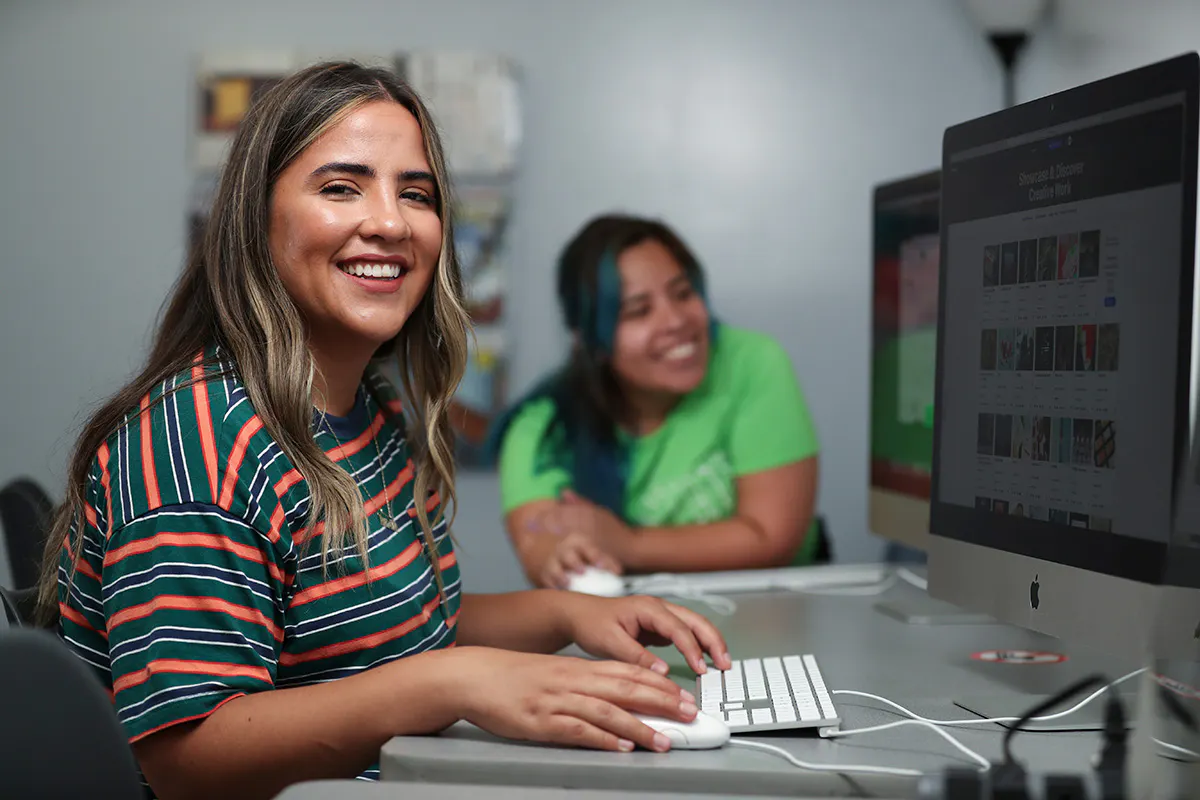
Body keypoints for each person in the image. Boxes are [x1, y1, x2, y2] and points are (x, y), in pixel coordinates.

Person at [34, 63, 731, 800]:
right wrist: (450, 682)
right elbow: (189, 760)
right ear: (255, 219)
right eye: (341, 187)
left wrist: (574, 614)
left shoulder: (370, 410)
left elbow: (412, 628)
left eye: (416, 194)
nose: (392, 223)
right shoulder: (198, 439)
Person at [494, 214, 823, 590]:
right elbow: (538, 541)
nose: (676, 321)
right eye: (639, 311)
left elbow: (771, 538)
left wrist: (628, 543)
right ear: (590, 340)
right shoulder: (541, 430)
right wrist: (560, 554)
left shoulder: (752, 362)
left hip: (777, 607)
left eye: (683, 293)